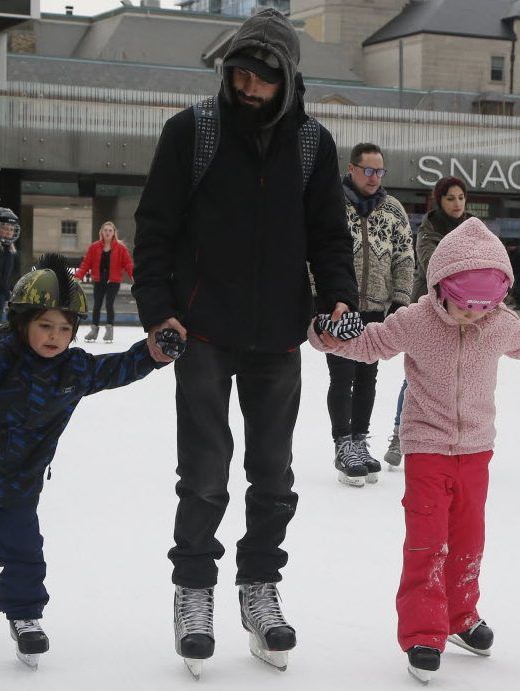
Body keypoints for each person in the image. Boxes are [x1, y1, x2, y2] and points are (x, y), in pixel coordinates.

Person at [131, 8, 357, 675]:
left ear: (284, 79)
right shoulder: (192, 132)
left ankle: (258, 587)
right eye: (237, 73)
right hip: (200, 330)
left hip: (277, 336)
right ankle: (193, 590)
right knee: (203, 475)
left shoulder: (313, 145)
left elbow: (329, 236)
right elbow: (154, 228)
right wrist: (157, 310)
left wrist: (337, 295)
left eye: (259, 77)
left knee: (274, 474)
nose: (245, 87)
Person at [309, 217, 520, 682]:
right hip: (426, 449)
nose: (472, 317)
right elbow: (371, 343)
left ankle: (460, 616)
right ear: (440, 287)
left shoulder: (498, 323)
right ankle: (423, 631)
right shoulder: (415, 320)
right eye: (463, 307)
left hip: (477, 451)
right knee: (427, 543)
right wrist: (330, 332)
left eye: (483, 308)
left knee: (468, 540)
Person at [0, 253, 164, 668]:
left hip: (21, 483)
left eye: (64, 328)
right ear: (23, 322)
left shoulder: (73, 369)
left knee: (25, 552)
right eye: (45, 325)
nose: (55, 336)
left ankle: (25, 616)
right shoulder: (0, 357)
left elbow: (118, 368)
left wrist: (153, 353)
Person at [326, 142, 412, 487]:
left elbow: (405, 257)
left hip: (378, 308)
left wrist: (401, 300)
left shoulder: (393, 210)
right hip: (339, 307)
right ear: (351, 169)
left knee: (367, 377)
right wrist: (324, 298)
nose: (374, 177)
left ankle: (360, 441)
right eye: (368, 170)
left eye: (380, 171)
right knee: (341, 376)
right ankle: (342, 444)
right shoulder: (332, 205)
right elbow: (316, 252)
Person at [383, 176, 471, 469]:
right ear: (439, 201)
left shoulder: (474, 228)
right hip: (430, 310)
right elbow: (434, 263)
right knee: (416, 376)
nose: (457, 203)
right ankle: (399, 434)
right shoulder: (429, 228)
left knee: (462, 377)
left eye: (460, 197)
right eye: (450, 198)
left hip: (468, 313)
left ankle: (457, 438)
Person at [75, 221, 133, 344]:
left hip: (113, 281)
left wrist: (134, 276)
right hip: (99, 280)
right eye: (105, 230)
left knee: (109, 304)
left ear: (114, 233)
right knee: (96, 305)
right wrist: (78, 276)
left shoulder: (121, 248)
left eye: (110, 231)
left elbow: (128, 264)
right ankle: (94, 330)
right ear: (101, 232)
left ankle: (109, 330)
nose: (107, 232)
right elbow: (86, 263)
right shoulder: (94, 247)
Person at [506, 240, 520, 310]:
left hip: (517, 274)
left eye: (509, 247)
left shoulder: (518, 253)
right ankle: (519, 304)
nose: (508, 248)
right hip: (515, 273)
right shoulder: (513, 253)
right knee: (515, 290)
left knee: (517, 290)